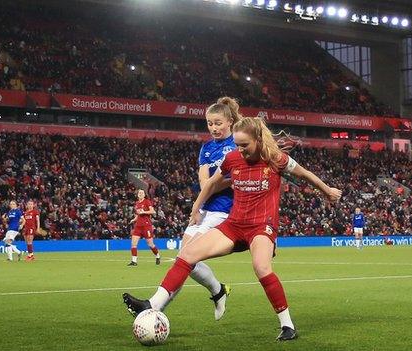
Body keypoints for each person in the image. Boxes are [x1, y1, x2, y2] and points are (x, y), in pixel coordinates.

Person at [123, 117, 342, 341]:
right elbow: (212, 184)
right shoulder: (232, 159)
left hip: (261, 226)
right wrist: (196, 209)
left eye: (245, 145)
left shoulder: (276, 159)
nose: (240, 149)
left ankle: (287, 325)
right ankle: (153, 305)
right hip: (234, 225)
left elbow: (305, 174)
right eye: (237, 145)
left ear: (258, 139)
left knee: (261, 267)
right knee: (187, 254)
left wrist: (327, 191)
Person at [163, 97, 240, 320]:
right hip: (204, 209)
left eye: (218, 123)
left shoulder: (238, 144)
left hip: (223, 210)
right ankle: (218, 290)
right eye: (209, 123)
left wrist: (214, 184)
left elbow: (233, 179)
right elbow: (205, 183)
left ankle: (155, 308)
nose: (213, 128)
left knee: (186, 258)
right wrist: (215, 184)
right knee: (184, 258)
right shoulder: (206, 148)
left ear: (230, 121)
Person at [128, 189, 160, 266]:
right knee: (133, 244)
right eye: (139, 193)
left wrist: (144, 212)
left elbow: (153, 211)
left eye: (142, 193)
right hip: (138, 226)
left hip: (146, 226)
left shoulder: (147, 201)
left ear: (144, 195)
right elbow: (138, 214)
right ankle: (134, 261)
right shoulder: (137, 203)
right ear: (137, 194)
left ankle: (158, 255)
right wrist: (134, 219)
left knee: (150, 244)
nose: (140, 194)